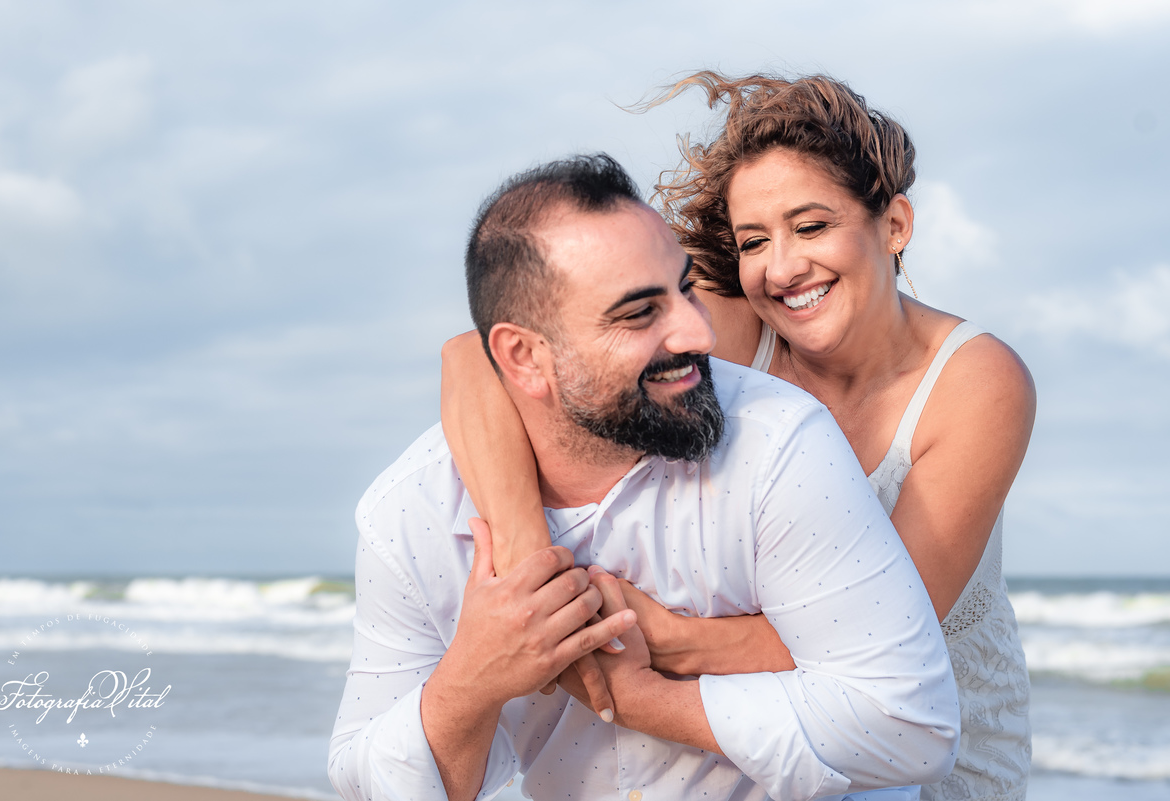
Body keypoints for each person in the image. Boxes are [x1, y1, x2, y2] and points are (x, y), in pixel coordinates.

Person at [440, 74, 1035, 801]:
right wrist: (536, 571)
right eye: (755, 240)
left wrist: (659, 640)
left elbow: (881, 638)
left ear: (895, 226)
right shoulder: (729, 325)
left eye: (811, 227)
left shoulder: (976, 381)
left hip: (922, 729)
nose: (782, 268)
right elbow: (474, 358)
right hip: (754, 734)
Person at [330, 154, 959, 801]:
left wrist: (644, 700)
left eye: (686, 290)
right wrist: (472, 679)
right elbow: (362, 782)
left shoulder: (778, 445)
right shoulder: (411, 512)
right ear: (523, 356)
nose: (697, 332)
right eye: (638, 314)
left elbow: (913, 727)